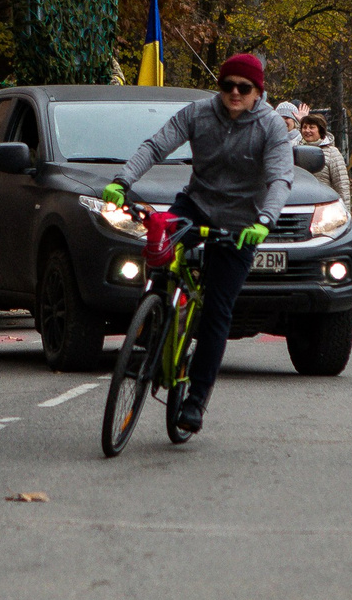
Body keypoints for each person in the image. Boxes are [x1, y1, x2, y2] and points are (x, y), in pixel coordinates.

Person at [102, 52, 294, 437]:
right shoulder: (199, 113)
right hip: (196, 206)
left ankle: (195, 400)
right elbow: (156, 146)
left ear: (258, 92)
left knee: (217, 312)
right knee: (157, 255)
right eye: (227, 85)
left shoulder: (271, 126)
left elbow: (280, 180)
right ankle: (154, 324)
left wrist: (264, 221)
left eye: (244, 88)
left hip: (243, 222)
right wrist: (122, 181)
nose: (234, 93)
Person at [301, 113, 352, 204]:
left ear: (320, 130)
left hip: (324, 205)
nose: (307, 130)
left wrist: (344, 209)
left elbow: (341, 185)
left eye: (311, 127)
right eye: (304, 127)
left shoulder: (332, 153)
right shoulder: (296, 150)